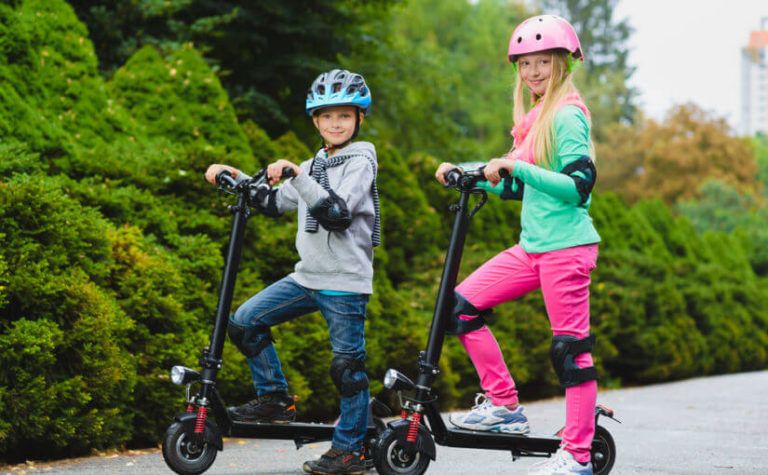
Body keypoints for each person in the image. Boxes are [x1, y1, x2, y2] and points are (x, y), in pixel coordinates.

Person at [434, 15, 600, 475]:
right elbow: (516, 187)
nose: (533, 72)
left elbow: (577, 186)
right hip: (533, 249)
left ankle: (578, 456)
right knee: (460, 307)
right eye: (525, 64)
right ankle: (505, 406)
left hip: (566, 249)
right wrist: (465, 173)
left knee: (570, 350)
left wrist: (516, 169)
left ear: (563, 63)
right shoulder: (534, 119)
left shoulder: (566, 114)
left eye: (543, 61)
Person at [204, 68, 380, 475]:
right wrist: (235, 177)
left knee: (347, 367)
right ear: (315, 121)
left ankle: (350, 449)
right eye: (327, 117)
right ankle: (275, 399)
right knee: (246, 324)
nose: (335, 124)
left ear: (359, 119)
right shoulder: (313, 163)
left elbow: (335, 213)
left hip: (345, 282)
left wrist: (297, 175)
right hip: (307, 277)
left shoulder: (361, 160)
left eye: (344, 116)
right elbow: (272, 202)